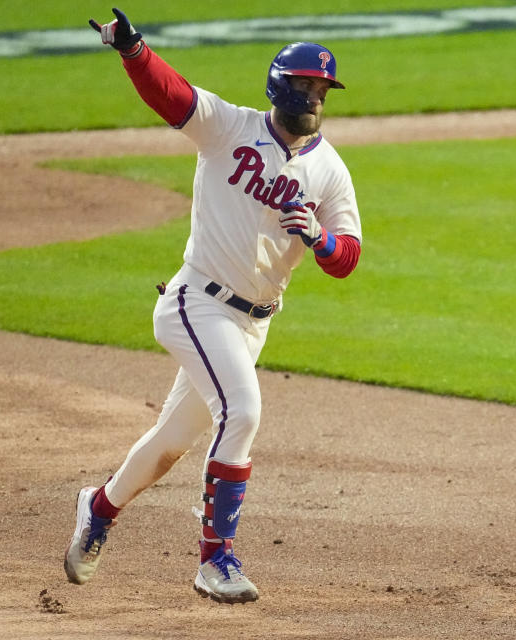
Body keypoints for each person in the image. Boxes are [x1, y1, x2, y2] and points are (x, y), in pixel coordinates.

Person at [63, 8, 362, 605]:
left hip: (252, 325)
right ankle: (215, 561)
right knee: (244, 411)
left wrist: (319, 239)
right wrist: (134, 50)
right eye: (305, 85)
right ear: (279, 86)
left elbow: (348, 254)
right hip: (196, 303)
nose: (314, 96)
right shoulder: (229, 127)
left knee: (171, 441)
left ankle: (97, 508)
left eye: (322, 89)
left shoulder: (329, 171)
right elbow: (171, 96)